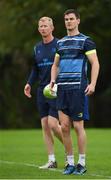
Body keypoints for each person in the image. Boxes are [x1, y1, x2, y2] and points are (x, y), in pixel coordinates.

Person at [50, 9, 100, 175]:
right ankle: (70, 163)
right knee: (64, 127)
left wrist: (92, 83)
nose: (68, 22)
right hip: (62, 89)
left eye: (71, 19)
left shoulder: (86, 41)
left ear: (78, 20)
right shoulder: (60, 43)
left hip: (78, 89)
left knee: (78, 126)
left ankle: (81, 163)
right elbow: (55, 65)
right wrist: (52, 81)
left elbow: (95, 63)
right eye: (66, 19)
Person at [24, 16, 63, 169]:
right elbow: (35, 69)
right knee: (45, 125)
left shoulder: (59, 44)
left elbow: (64, 65)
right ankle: (52, 160)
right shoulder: (37, 48)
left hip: (56, 89)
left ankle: (68, 149)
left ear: (52, 28)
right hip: (41, 91)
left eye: (46, 26)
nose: (43, 28)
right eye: (41, 26)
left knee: (54, 124)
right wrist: (28, 83)